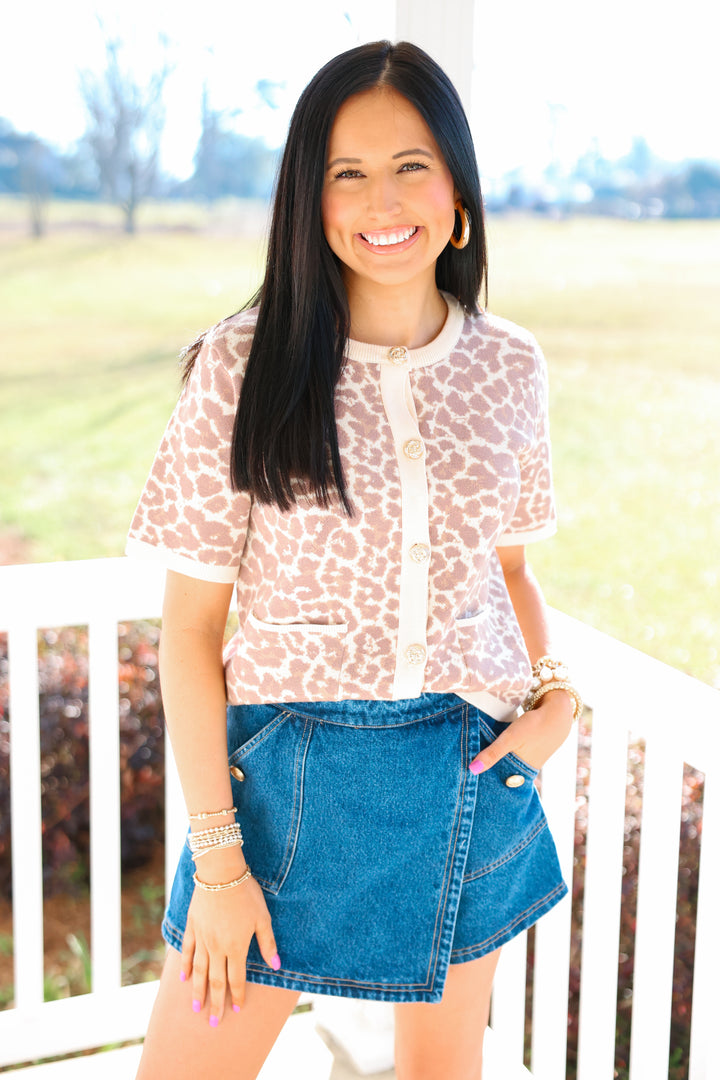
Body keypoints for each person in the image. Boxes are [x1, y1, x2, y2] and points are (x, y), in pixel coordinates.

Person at [127, 39, 581, 1080]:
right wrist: (222, 860)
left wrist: (555, 695)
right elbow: (192, 632)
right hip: (280, 789)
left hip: (470, 769)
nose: (384, 197)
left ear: (458, 192)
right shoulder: (242, 364)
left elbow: (510, 570)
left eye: (411, 164)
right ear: (311, 200)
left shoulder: (511, 364)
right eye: (348, 171)